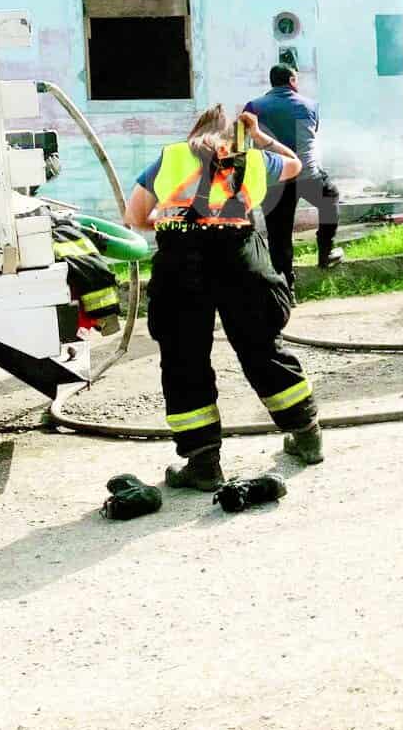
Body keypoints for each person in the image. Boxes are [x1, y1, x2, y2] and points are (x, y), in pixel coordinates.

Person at [124, 104, 325, 490]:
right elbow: (295, 164)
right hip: (240, 257)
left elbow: (135, 217)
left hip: (182, 262)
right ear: (238, 134)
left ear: (195, 130)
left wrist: (175, 217)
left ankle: (204, 465)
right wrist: (260, 136)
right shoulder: (253, 157)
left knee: (184, 359)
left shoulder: (170, 158)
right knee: (262, 347)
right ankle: (307, 435)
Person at [245, 65, 343, 288]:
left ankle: (286, 290)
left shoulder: (253, 107)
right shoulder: (310, 105)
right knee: (330, 198)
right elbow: (311, 133)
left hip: (274, 179)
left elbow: (243, 139)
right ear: (291, 80)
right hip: (307, 174)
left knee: (279, 236)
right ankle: (326, 251)